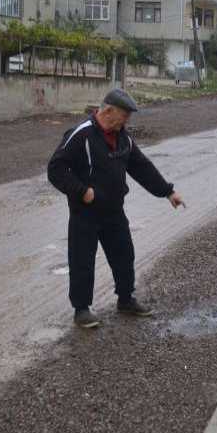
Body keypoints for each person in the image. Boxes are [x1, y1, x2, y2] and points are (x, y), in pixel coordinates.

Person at [48, 89, 185, 328]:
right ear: (108, 110)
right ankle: (81, 310)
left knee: (124, 254)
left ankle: (126, 299)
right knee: (82, 260)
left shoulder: (123, 138)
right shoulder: (82, 134)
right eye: (124, 115)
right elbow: (56, 168)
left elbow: (142, 167)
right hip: (85, 213)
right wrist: (82, 191)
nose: (126, 121)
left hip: (113, 210)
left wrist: (167, 191)